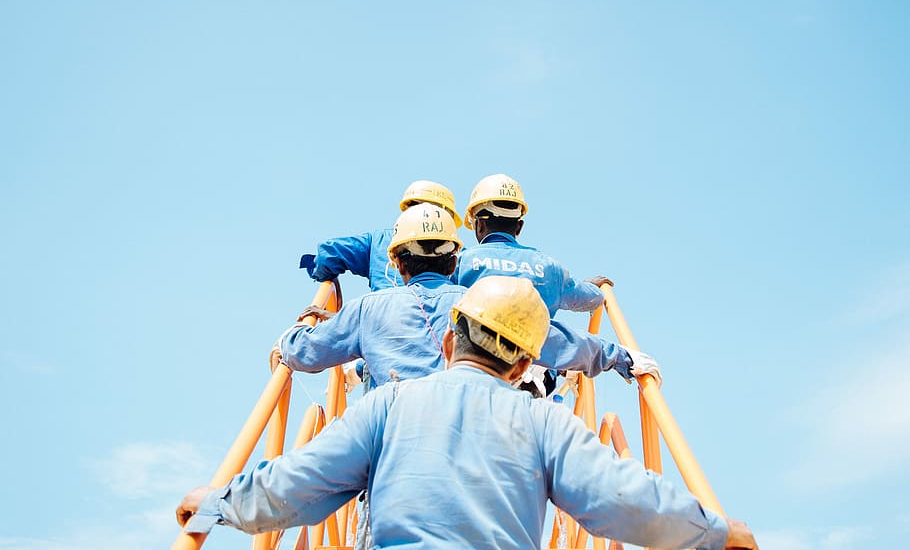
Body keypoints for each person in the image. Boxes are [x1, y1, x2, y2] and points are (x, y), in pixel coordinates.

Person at [177, 276, 758, 550]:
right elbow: (622, 497)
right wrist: (714, 531)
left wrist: (212, 507)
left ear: (450, 341)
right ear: (523, 365)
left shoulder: (387, 406)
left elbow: (296, 486)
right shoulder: (546, 422)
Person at [274, 203, 659, 392]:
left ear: (396, 260)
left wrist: (298, 331)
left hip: (393, 458)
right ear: (454, 256)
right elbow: (557, 340)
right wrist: (621, 357)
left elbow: (303, 353)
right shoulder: (486, 304)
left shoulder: (366, 310)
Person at [456, 173, 619, 395]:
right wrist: (591, 286)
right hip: (532, 372)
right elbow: (591, 299)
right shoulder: (549, 267)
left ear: (478, 225)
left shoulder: (461, 262)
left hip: (471, 374)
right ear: (519, 226)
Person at [299, 179, 463, 292]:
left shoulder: (377, 242)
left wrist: (327, 278)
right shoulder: (457, 254)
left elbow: (328, 255)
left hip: (379, 327)